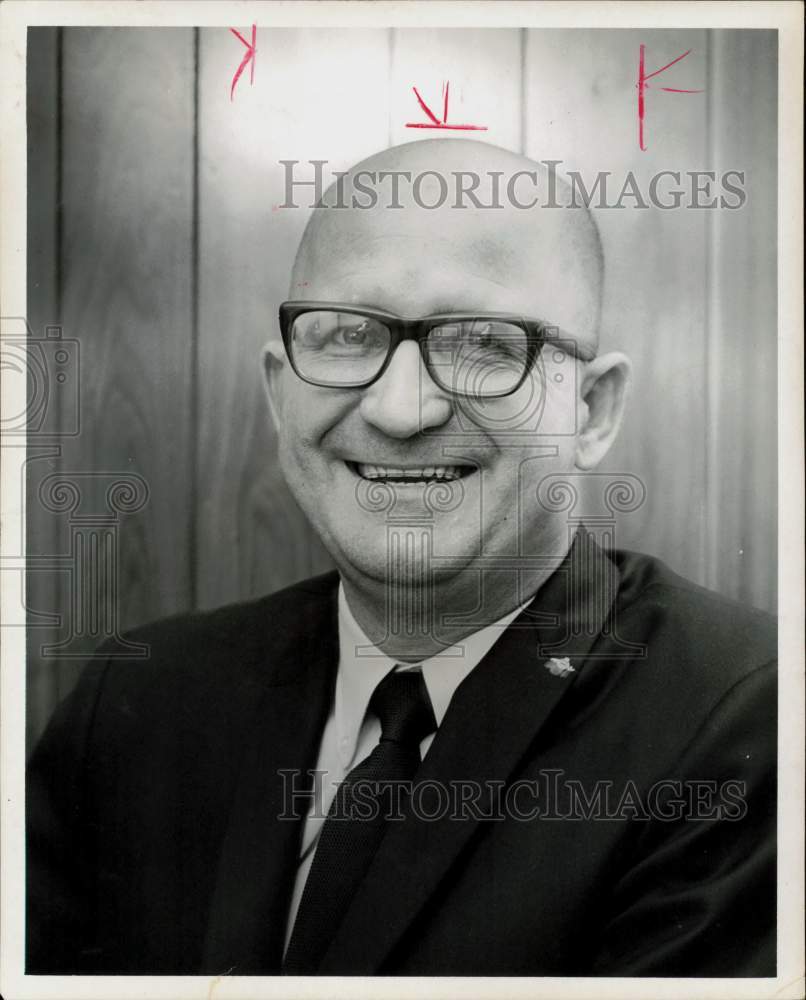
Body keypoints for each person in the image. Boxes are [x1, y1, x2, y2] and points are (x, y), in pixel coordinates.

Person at [27, 139, 776, 977]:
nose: (400, 409)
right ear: (281, 395)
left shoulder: (752, 720)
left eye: (484, 344)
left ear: (592, 410)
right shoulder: (136, 703)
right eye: (348, 335)